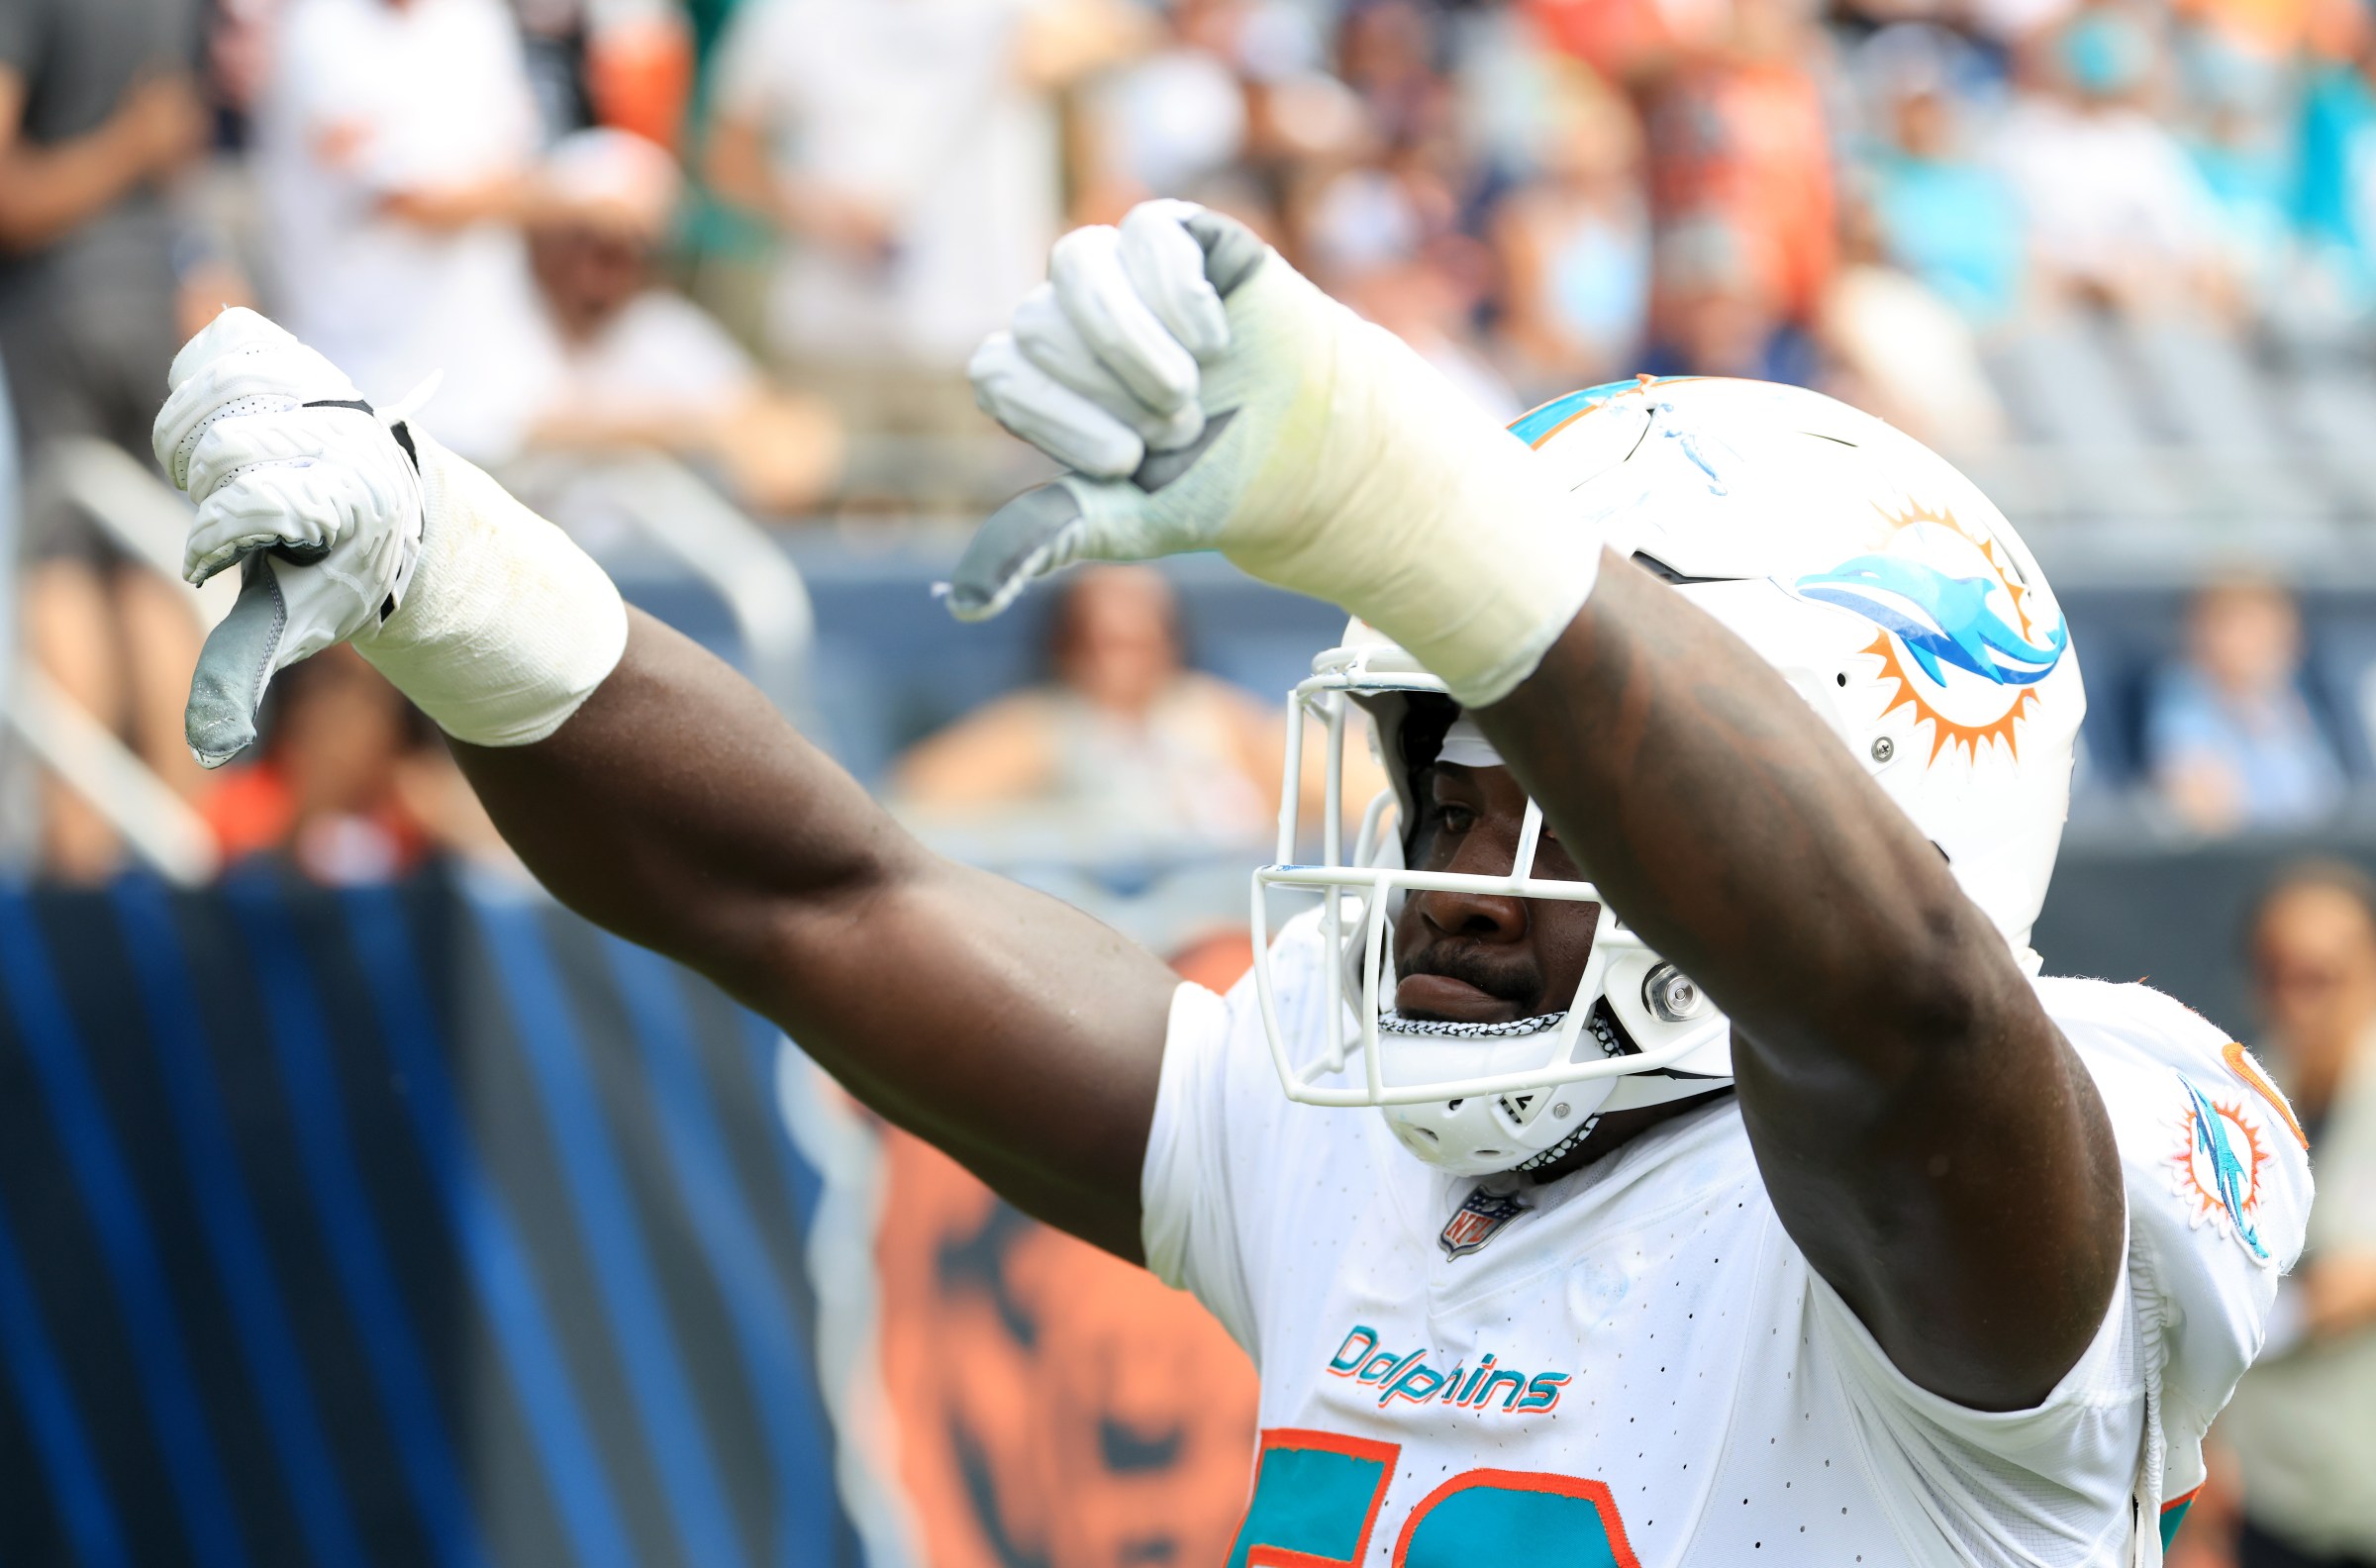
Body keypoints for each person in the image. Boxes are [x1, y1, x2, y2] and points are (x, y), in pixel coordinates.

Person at [152, 200, 2311, 1563]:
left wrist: (1404, 498)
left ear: (1843, 787)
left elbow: (1899, 1020)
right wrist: (467, 584)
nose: (1449, 868)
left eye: (1528, 789)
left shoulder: (2043, 1181)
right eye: (1436, 788)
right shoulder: (1338, 1137)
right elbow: (819, 898)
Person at [0, 0, 215, 878]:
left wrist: (121, 147)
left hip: (62, 305)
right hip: (156, 306)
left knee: (66, 568)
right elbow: (181, 143)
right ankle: (187, 851)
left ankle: (80, 865)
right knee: (148, 565)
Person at [441, 128, 843, 515]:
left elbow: (776, 430)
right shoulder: (488, 312)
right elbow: (523, 428)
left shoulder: (658, 328)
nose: (597, 271)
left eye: (627, 249)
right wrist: (695, 432)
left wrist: (779, 441)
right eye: (583, 240)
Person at [250, 0, 544, 423]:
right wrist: (572, 203)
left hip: (477, 366)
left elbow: (514, 160)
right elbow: (411, 202)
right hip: (352, 370)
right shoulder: (316, 29)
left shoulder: (478, 19)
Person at [2211, 865, 2376, 1568]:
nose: (2297, 1000)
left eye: (2322, 977)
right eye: (2278, 975)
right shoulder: (2231, 1107)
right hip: (2266, 1501)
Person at [894, 564, 1284, 855]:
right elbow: (918, 796)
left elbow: (1324, 778)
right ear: (1068, 647)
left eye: (1145, 642)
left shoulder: (1214, 711)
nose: (1129, 666)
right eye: (1110, 645)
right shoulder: (1042, 726)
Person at [2143, 581, 2346, 835]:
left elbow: (2326, 795)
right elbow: (2206, 810)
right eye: (2252, 629)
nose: (2276, 643)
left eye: (2280, 629)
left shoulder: (2289, 698)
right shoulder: (2182, 701)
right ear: (2208, 633)